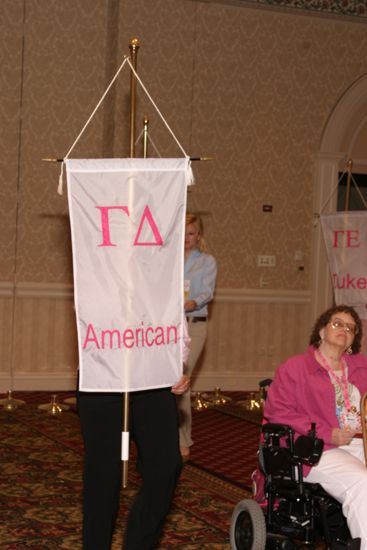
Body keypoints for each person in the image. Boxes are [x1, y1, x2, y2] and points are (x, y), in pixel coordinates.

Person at [77, 323, 190, 550]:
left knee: (166, 466)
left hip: (154, 382)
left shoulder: (162, 285)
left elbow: (175, 324)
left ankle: (139, 544)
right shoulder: (95, 285)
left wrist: (178, 365)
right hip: (102, 380)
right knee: (103, 476)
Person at [264, 304, 367, 547]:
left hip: (359, 442)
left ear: (353, 339)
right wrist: (327, 433)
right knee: (361, 481)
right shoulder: (296, 368)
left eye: (350, 328)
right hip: (315, 447)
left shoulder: (362, 368)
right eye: (337, 324)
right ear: (321, 332)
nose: (344, 329)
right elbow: (277, 412)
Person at [177, 212, 217, 460]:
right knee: (165, 383)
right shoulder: (168, 258)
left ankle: (183, 439)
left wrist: (193, 302)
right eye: (183, 233)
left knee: (182, 381)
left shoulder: (207, 261)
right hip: (169, 325)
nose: (186, 238)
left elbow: (207, 293)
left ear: (198, 235)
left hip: (194, 324)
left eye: (191, 233)